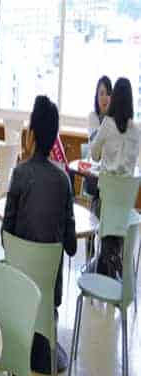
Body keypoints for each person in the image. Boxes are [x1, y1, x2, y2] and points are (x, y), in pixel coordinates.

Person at [0, 95, 77, 374]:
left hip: (17, 286)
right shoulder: (64, 181)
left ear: (31, 134)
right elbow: (71, 246)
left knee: (2, 271)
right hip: (49, 293)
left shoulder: (20, 174)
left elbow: (6, 235)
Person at [90, 77, 140, 277]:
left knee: (99, 205)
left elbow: (94, 154)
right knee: (116, 218)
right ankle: (112, 259)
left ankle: (106, 261)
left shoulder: (107, 124)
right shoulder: (136, 131)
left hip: (106, 204)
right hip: (126, 207)